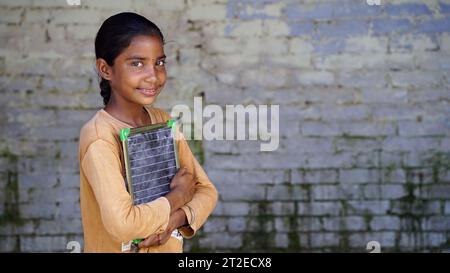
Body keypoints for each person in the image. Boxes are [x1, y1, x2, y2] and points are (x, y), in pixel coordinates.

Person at [78, 12, 218, 253]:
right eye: (137, 63)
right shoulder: (100, 137)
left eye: (159, 62)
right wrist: (178, 196)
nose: (153, 76)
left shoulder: (162, 121)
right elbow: (124, 225)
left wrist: (174, 220)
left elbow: (206, 191)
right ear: (105, 69)